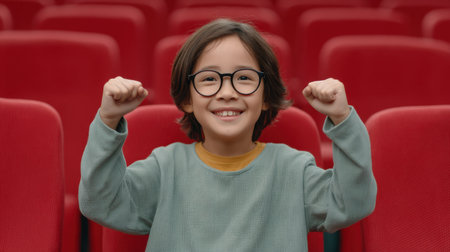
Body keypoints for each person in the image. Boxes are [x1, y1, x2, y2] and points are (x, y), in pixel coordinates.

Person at [79, 19, 377, 251]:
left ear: (265, 98)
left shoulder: (293, 170)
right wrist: (108, 119)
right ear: (186, 99)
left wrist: (341, 118)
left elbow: (353, 202)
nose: (227, 92)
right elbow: (100, 202)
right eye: (209, 79)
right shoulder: (163, 167)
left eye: (244, 78)